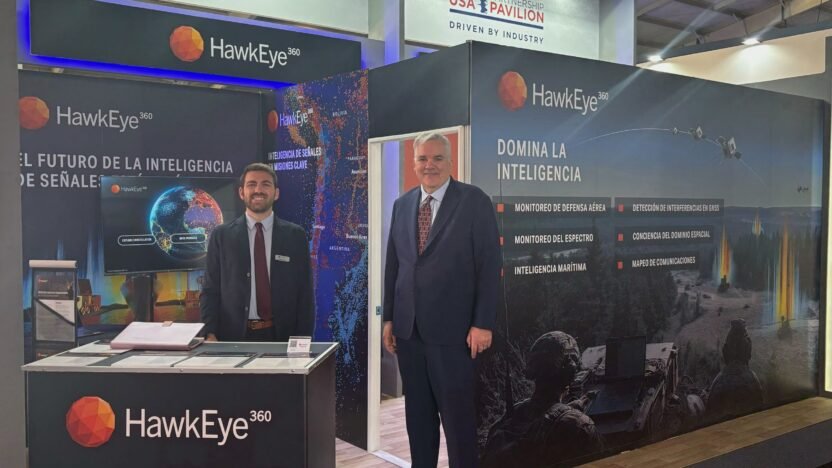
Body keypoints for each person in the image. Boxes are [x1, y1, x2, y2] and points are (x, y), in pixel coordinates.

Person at [382, 132, 502, 468]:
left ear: (450, 162)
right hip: (409, 333)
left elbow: (489, 265)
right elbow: (395, 266)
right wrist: (389, 318)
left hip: (455, 335)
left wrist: (483, 323)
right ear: (414, 163)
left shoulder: (474, 201)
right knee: (418, 420)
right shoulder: (402, 204)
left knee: (458, 422)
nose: (429, 165)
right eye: (423, 158)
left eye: (437, 158)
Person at [200, 162, 314, 342]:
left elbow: (305, 294)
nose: (258, 190)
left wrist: (303, 340)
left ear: (276, 193)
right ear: (241, 192)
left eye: (265, 184)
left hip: (282, 337)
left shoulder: (295, 236)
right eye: (251, 184)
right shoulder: (221, 236)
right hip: (233, 338)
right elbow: (210, 290)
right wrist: (209, 332)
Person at [481, 331, 603, 468]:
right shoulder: (579, 426)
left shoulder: (509, 418)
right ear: (570, 372)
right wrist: (573, 418)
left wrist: (565, 411)